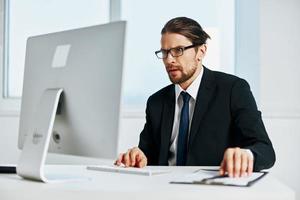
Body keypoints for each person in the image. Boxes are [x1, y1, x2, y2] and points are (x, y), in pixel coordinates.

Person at [115, 17, 275, 177]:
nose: (169, 60)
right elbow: (147, 155)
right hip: (163, 188)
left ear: (201, 51)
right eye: (164, 52)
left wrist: (246, 155)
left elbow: (265, 150)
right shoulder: (156, 102)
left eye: (178, 50)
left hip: (212, 188)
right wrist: (138, 156)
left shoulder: (233, 90)